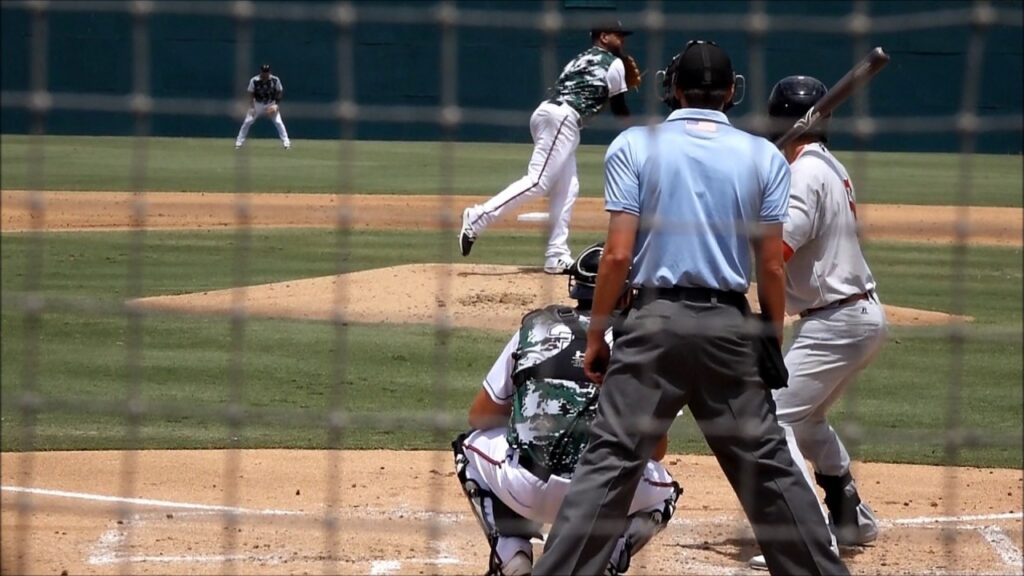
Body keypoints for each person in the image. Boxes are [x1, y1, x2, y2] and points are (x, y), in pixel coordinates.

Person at [532, 41, 849, 576]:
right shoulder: (763, 156)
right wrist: (769, 337)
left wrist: (597, 336)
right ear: (731, 92)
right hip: (729, 329)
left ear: (673, 87)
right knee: (770, 470)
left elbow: (616, 255)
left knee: (607, 469)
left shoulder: (635, 144)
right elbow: (771, 266)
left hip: (651, 328)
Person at [452, 242, 681, 576]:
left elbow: (480, 416)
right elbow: (656, 450)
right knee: (666, 493)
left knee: (468, 447)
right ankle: (606, 559)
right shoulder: (645, 343)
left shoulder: (535, 327)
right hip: (602, 493)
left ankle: (511, 551)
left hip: (525, 488)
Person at [748, 74, 887, 571]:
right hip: (855, 316)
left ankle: (803, 537)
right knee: (806, 419)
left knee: (774, 417)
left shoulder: (805, 173)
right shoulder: (828, 166)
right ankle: (850, 515)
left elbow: (779, 250)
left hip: (838, 319)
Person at [458, 21, 640, 274]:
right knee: (538, 181)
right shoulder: (613, 63)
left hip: (550, 115)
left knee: (567, 187)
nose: (622, 40)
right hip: (563, 119)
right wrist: (638, 132)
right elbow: (619, 107)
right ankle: (478, 217)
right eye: (618, 35)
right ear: (603, 36)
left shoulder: (581, 59)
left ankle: (556, 255)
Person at [235, 64, 291, 150]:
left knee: (278, 122)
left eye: (267, 72)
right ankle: (239, 142)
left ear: (269, 72)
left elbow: (279, 91)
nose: (265, 74)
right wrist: (252, 107)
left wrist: (276, 105)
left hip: (271, 103)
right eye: (264, 72)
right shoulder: (254, 80)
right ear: (261, 72)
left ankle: (286, 143)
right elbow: (251, 94)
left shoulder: (275, 80)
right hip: (258, 104)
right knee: (247, 121)